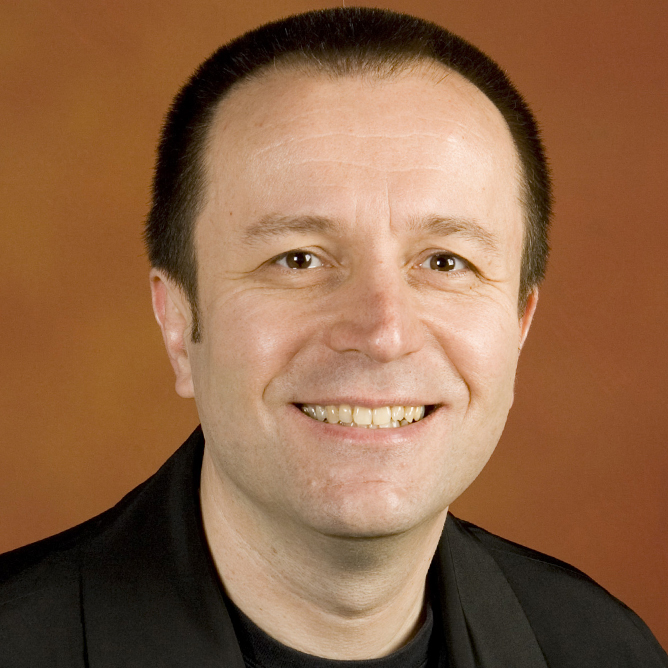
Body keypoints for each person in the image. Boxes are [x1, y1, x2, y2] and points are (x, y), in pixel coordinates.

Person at [1, 7, 665, 666]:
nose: (383, 332)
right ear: (178, 322)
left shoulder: (603, 650)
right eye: (298, 259)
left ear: (519, 325)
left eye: (444, 262)